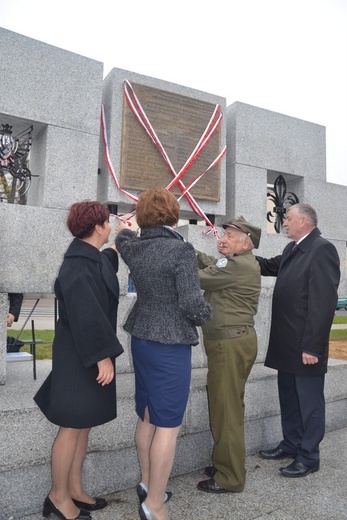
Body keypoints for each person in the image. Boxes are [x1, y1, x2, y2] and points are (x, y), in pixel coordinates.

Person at [115, 188, 212, 520]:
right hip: (170, 345)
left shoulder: (134, 248)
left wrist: (130, 224)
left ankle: (147, 483)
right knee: (167, 425)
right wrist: (207, 316)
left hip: (142, 338)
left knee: (146, 416)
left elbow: (124, 237)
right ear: (173, 214)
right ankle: (154, 502)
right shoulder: (181, 250)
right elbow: (191, 303)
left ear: (143, 216)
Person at [34, 200, 124, 520]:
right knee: (71, 428)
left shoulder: (89, 257)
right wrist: (103, 358)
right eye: (109, 222)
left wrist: (118, 243)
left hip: (86, 353)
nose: (111, 224)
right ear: (98, 227)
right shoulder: (76, 265)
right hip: (79, 357)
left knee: (83, 424)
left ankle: (74, 488)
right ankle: (57, 498)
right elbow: (87, 315)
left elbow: (105, 263)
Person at [257, 203, 340, 477]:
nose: (284, 224)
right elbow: (269, 266)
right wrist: (243, 251)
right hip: (286, 344)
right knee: (290, 399)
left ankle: (309, 456)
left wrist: (312, 347)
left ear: (304, 221)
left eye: (288, 219)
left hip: (305, 346)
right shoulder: (293, 249)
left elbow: (322, 303)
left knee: (309, 403)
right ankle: (291, 444)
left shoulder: (322, 249)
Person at [195, 216, 261, 494]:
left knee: (226, 411)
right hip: (232, 343)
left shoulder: (237, 266)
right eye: (224, 234)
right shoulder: (234, 262)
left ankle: (230, 477)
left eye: (230, 236)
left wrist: (173, 256)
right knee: (228, 407)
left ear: (246, 242)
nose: (223, 239)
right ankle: (226, 462)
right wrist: (191, 251)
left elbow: (200, 277)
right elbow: (212, 263)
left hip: (229, 346)